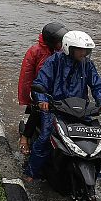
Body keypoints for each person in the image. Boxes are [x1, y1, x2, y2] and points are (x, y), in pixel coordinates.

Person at [23, 30, 101, 182]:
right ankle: (31, 172)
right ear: (68, 48)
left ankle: (97, 173)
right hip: (55, 107)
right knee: (45, 137)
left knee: (97, 139)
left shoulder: (88, 65)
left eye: (86, 50)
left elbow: (98, 86)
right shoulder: (54, 61)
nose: (83, 53)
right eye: (80, 49)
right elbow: (40, 83)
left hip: (80, 109)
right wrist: (43, 100)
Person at [17, 22, 67, 153]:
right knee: (37, 111)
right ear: (51, 41)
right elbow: (26, 74)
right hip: (39, 88)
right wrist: (27, 93)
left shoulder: (63, 52)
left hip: (57, 88)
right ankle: (25, 136)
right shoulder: (35, 51)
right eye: (58, 42)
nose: (61, 45)